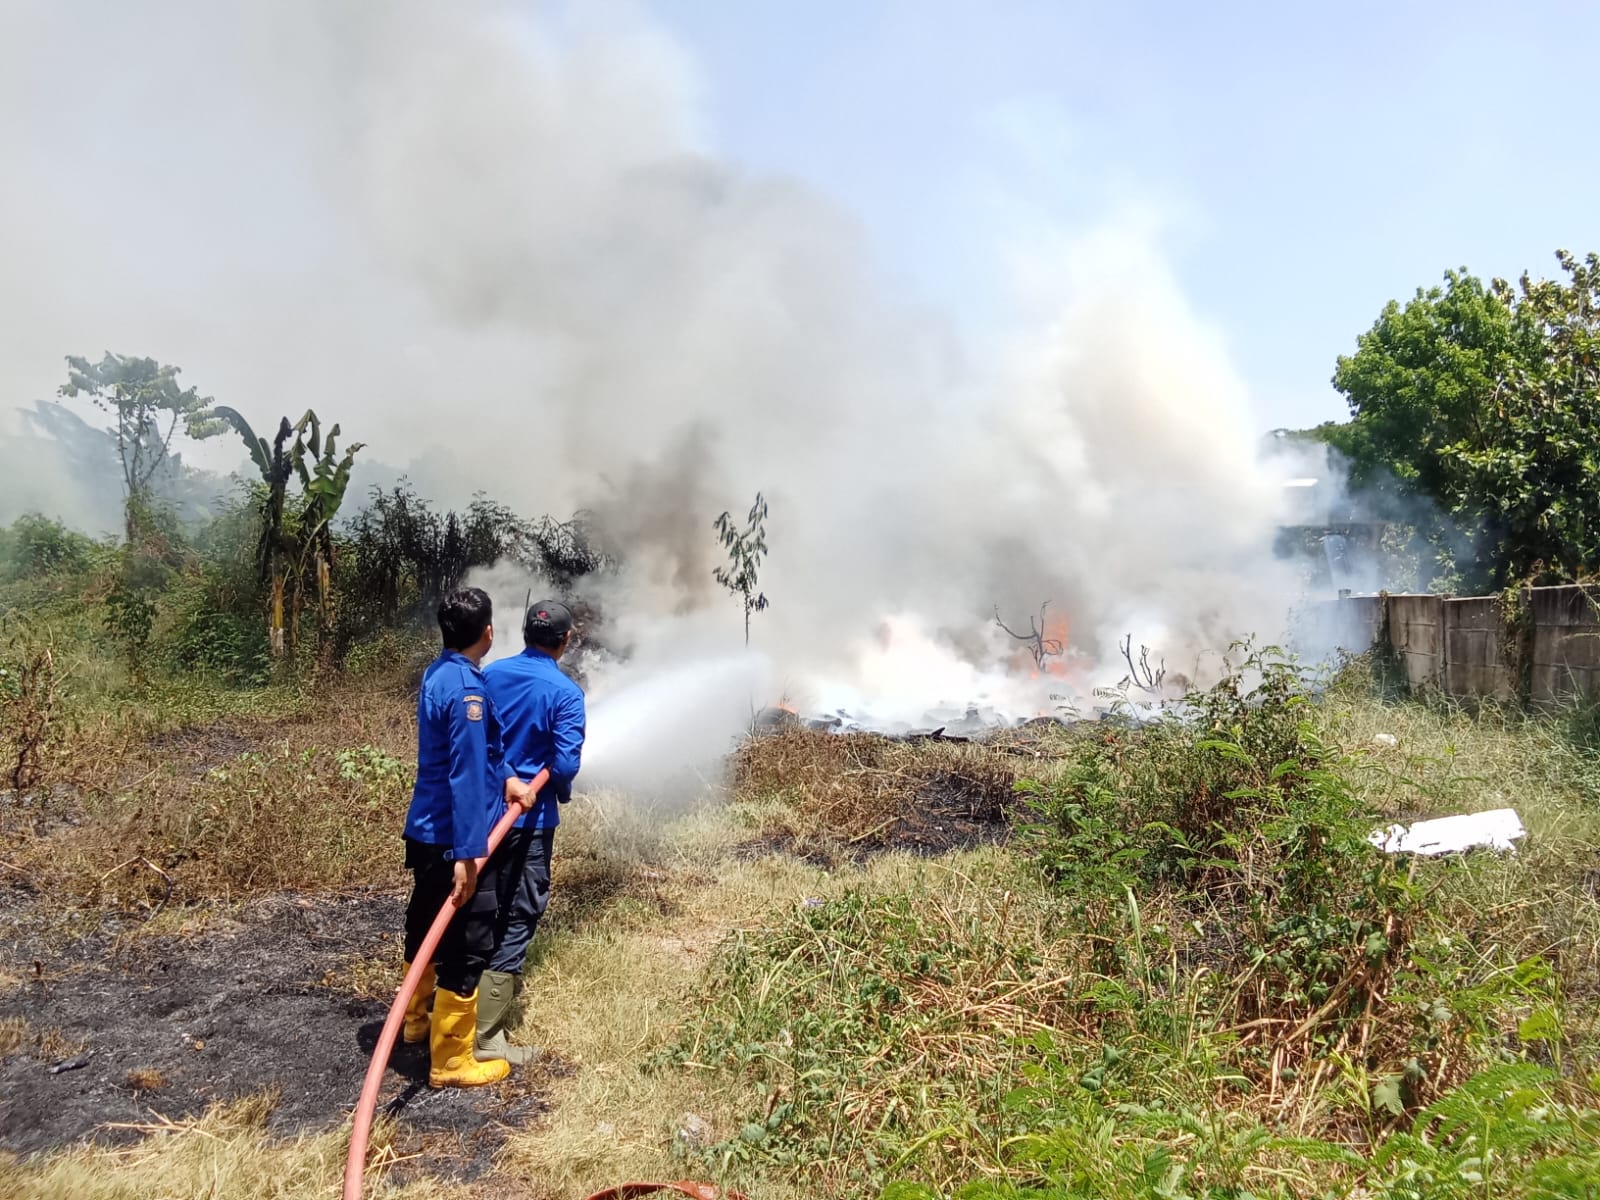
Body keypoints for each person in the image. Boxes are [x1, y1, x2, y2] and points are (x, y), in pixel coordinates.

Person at [400, 586, 531, 1088]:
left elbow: (482, 759)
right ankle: (452, 1060)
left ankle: (415, 1021)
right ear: (489, 632)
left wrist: (509, 778)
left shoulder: (440, 673)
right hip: (456, 838)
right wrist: (470, 854)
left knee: (425, 924)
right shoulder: (469, 691)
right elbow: (467, 775)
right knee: (469, 941)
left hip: (428, 829)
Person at [476, 598, 587, 1063]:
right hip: (529, 823)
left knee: (476, 913)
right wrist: (555, 789)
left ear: (522, 632)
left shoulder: (487, 676)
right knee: (519, 916)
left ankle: (448, 1017)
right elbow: (564, 764)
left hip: (482, 818)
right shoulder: (565, 692)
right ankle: (487, 1037)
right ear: (565, 641)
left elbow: (476, 743)